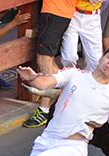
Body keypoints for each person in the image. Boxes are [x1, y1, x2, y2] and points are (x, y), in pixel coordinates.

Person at [23, 0, 76, 128]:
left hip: (55, 10)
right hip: (60, 11)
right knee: (48, 59)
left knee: (44, 59)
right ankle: (71, 97)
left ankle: (44, 109)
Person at [60, 0, 103, 71]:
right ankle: (69, 79)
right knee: (69, 58)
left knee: (95, 61)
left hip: (92, 17)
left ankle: (87, 80)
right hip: (72, 13)